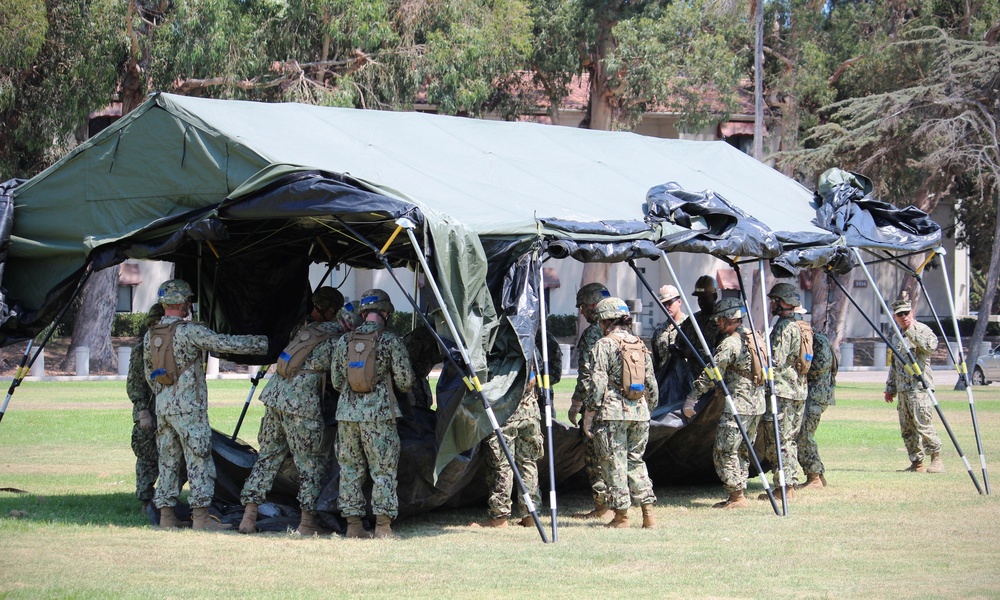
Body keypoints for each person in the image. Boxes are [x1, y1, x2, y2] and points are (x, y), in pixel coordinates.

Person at [144, 279, 269, 530]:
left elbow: (150, 375)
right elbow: (225, 344)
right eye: (188, 300)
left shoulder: (151, 335)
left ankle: (166, 517)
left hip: (164, 408)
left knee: (168, 462)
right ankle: (201, 519)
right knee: (199, 460)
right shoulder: (190, 331)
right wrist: (264, 343)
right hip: (190, 409)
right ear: (182, 302)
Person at [238, 287, 349, 535]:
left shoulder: (300, 330)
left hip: (275, 397)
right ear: (332, 311)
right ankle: (307, 523)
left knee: (267, 458)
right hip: (302, 406)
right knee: (310, 463)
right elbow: (339, 378)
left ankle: (249, 516)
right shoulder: (337, 338)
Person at [329, 289, 414, 539]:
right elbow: (405, 381)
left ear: (363, 313)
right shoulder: (390, 340)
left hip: (346, 415)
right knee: (384, 470)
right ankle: (383, 528)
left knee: (350, 469)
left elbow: (335, 381)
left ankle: (353, 526)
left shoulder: (344, 341)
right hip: (379, 417)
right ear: (386, 312)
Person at [582, 297, 658, 528]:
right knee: (636, 461)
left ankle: (622, 516)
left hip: (612, 413)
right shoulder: (640, 343)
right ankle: (648, 515)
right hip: (640, 412)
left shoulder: (603, 345)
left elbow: (597, 383)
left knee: (614, 462)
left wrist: (589, 415)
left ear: (605, 321)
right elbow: (651, 383)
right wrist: (648, 409)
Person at [684, 298, 765, 509]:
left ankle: (736, 496)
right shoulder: (756, 338)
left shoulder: (730, 343)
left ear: (730, 319)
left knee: (724, 450)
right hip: (757, 405)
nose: (717, 324)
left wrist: (692, 398)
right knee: (744, 450)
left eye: (719, 319)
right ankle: (739, 491)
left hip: (738, 405)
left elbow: (713, 372)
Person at [475, 334, 562, 528]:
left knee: (502, 465)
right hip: (530, 412)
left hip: (505, 414)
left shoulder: (496, 345)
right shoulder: (530, 345)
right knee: (528, 464)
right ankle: (531, 514)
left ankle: (499, 517)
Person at [756, 282, 809, 502]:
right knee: (790, 439)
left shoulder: (783, 327)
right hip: (798, 390)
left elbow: (775, 361)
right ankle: (790, 483)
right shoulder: (800, 325)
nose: (771, 305)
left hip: (783, 392)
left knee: (779, 440)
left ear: (783, 302)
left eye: (774, 301)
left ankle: (785, 487)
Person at [884, 291, 944, 473]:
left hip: (919, 388)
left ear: (912, 312)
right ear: (895, 317)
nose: (904, 317)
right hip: (903, 389)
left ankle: (936, 459)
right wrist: (890, 388)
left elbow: (930, 347)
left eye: (906, 313)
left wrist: (911, 333)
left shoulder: (923, 331)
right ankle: (916, 462)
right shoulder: (896, 336)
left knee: (923, 424)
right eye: (900, 315)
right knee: (907, 429)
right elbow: (895, 365)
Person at [567, 282, 612, 518]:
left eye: (583, 306)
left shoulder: (593, 333)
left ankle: (601, 507)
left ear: (594, 305)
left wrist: (577, 405)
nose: (582, 312)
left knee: (595, 457)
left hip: (597, 405)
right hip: (621, 406)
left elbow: (586, 374)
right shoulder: (624, 331)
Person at [127, 303, 166, 514]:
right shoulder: (141, 349)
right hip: (149, 412)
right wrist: (143, 412)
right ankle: (145, 501)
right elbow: (134, 384)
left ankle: (165, 498)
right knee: (147, 459)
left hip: (168, 411)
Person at [798, 316, 836, 490]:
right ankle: (818, 476)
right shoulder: (808, 338)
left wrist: (799, 368)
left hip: (815, 396)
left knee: (804, 436)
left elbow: (822, 365)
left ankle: (814, 477)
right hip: (812, 395)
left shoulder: (817, 340)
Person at [679, 275, 721, 369]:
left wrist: (694, 353)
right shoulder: (691, 321)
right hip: (691, 377)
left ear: (714, 297)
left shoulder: (723, 322)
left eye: (705, 298)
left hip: (714, 378)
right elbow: (680, 342)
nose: (701, 302)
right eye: (699, 298)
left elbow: (723, 352)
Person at [650, 284, 687, 373]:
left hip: (685, 380)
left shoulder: (689, 325)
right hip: (664, 380)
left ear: (679, 302)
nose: (667, 307)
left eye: (670, 303)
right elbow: (655, 361)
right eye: (664, 304)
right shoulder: (659, 331)